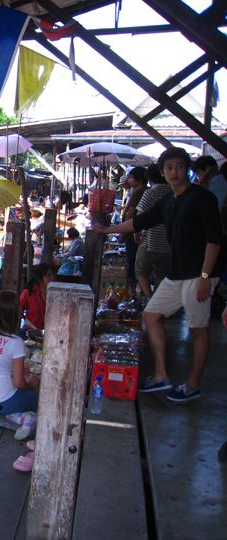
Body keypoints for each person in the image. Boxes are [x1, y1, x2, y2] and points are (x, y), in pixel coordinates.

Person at [93, 147, 223, 402]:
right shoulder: (169, 201)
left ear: (188, 169)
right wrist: (108, 230)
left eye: (179, 166)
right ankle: (161, 375)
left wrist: (206, 278)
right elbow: (140, 223)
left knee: (198, 329)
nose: (175, 172)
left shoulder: (202, 198)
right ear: (162, 172)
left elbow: (215, 240)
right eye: (169, 168)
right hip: (176, 273)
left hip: (199, 274)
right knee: (151, 315)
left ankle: (193, 383)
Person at [0, 290, 39, 440]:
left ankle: (17, 417)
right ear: (15, 316)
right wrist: (31, 383)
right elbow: (18, 383)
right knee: (35, 396)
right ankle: (24, 418)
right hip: (1, 405)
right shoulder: (15, 343)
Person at [134, 164, 172, 301]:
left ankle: (150, 298)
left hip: (150, 240)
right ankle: (157, 299)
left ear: (149, 177)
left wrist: (136, 233)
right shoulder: (172, 191)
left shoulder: (151, 192)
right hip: (168, 242)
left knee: (140, 271)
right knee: (160, 274)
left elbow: (139, 217)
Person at [121, 167, 148, 295]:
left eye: (131, 177)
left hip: (134, 233)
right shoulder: (139, 191)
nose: (129, 180)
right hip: (138, 232)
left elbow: (129, 215)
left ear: (138, 178)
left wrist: (123, 232)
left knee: (133, 264)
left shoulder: (139, 193)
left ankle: (134, 294)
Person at [20, 263, 55, 331]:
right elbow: (17, 309)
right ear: (40, 278)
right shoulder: (29, 292)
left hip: (50, 331)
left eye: (53, 274)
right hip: (30, 331)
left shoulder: (57, 294)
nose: (52, 278)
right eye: (48, 275)